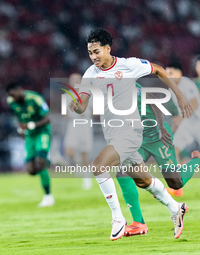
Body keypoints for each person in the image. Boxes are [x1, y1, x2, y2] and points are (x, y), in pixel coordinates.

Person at [69, 28, 193, 240]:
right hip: (112, 132)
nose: (93, 57)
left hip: (130, 131)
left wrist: (179, 95)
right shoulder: (90, 74)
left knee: (98, 166)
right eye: (90, 53)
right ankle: (176, 208)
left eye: (97, 51)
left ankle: (118, 218)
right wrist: (76, 106)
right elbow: (83, 104)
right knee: (143, 181)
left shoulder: (129, 65)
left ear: (108, 48)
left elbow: (159, 70)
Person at [116, 83, 200, 236]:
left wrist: (161, 127)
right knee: (123, 172)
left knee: (175, 183)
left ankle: (197, 160)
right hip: (140, 140)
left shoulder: (128, 85)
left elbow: (154, 102)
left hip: (159, 136)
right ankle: (138, 223)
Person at [6, 82, 54, 207]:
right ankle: (46, 161)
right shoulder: (11, 101)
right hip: (30, 136)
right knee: (31, 170)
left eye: (15, 95)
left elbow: (48, 118)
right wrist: (21, 129)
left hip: (42, 132)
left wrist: (31, 125)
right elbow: (18, 116)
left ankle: (48, 196)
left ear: (20, 90)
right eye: (11, 96)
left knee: (39, 164)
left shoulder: (35, 98)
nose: (14, 99)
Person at [165, 61, 200, 196]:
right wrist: (178, 121)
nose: (168, 76)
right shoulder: (171, 89)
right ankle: (177, 186)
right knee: (174, 149)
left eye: (171, 73)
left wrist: (181, 118)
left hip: (197, 121)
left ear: (179, 72)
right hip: (188, 123)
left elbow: (194, 103)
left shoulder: (186, 83)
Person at [64, 73, 94, 190]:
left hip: (84, 125)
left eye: (77, 79)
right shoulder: (67, 95)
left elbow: (92, 110)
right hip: (72, 125)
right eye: (72, 80)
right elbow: (66, 113)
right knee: (69, 151)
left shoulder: (86, 94)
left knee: (84, 153)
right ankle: (78, 166)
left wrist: (83, 112)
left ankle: (87, 179)